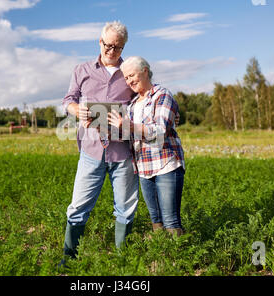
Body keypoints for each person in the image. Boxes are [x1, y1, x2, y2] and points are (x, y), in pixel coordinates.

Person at [60, 21, 139, 265]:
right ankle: (69, 261)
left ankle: (121, 262)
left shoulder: (130, 73)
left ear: (124, 47)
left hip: (122, 152)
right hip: (91, 151)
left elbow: (143, 100)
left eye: (117, 47)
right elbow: (68, 99)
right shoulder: (82, 70)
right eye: (108, 45)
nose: (112, 51)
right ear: (99, 42)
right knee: (77, 208)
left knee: (125, 210)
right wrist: (77, 110)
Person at [108, 56, 185, 237]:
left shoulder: (162, 95)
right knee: (156, 220)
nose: (129, 81)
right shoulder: (133, 104)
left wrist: (127, 126)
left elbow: (159, 131)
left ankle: (179, 261)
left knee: (171, 220)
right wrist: (104, 126)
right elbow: (129, 134)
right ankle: (161, 259)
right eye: (126, 78)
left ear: (144, 71)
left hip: (166, 164)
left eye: (132, 75)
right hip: (144, 166)